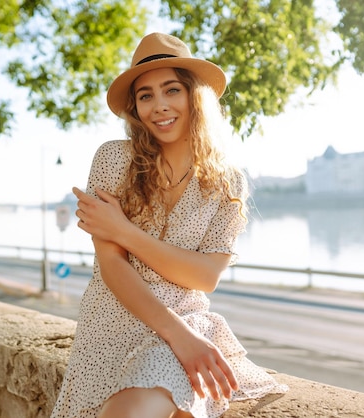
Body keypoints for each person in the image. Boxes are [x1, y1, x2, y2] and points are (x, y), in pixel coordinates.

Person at [50, 32, 288, 418]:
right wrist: (181, 337)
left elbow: (204, 276)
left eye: (171, 90)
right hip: (109, 328)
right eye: (146, 95)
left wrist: (124, 231)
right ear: (135, 107)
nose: (159, 106)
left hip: (186, 326)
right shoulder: (114, 160)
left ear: (194, 95)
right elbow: (112, 266)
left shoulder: (228, 182)